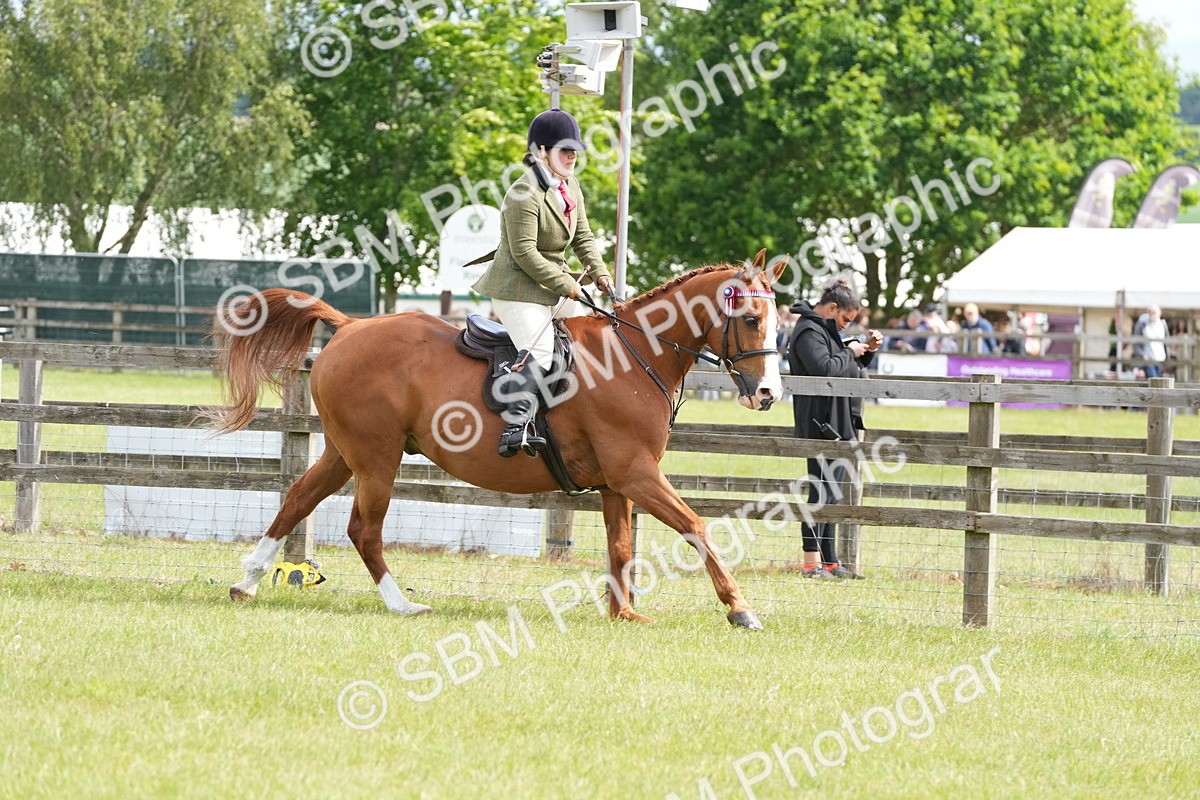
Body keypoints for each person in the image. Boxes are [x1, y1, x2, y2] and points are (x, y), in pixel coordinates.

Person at [472, 109, 615, 457]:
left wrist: (600, 273)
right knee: (540, 350)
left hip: (553, 285)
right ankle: (515, 426)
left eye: (574, 149)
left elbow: (583, 237)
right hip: (518, 289)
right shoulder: (522, 193)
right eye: (564, 149)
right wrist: (566, 284)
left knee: (594, 334)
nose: (572, 156)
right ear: (540, 152)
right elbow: (524, 253)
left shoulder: (571, 187)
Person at [787, 278, 882, 579]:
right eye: (844, 319)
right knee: (819, 493)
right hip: (819, 422)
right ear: (831, 308)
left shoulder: (824, 331)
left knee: (833, 496)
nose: (845, 326)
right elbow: (825, 370)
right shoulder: (808, 331)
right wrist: (849, 352)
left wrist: (866, 352)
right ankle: (810, 563)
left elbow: (846, 367)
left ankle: (830, 562)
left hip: (837, 422)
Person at [1132, 305, 1168, 379]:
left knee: (1157, 379)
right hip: (1148, 358)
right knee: (1153, 379)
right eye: (1150, 312)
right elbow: (1136, 342)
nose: (1152, 314)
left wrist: (1167, 358)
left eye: (1154, 312)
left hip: (1160, 358)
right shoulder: (1143, 324)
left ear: (1159, 313)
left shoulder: (1163, 325)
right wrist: (1143, 355)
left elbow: (1166, 342)